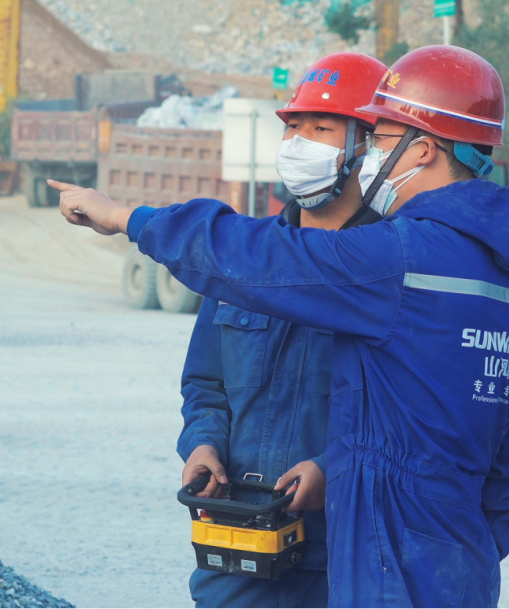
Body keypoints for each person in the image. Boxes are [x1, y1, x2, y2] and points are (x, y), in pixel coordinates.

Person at [54, 45, 509, 608]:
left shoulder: (393, 261)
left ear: (426, 149)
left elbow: (255, 256)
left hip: (374, 563)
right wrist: (468, 549)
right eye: (296, 127)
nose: (371, 157)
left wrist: (128, 218)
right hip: (438, 567)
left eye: (382, 139)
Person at [179, 52, 387, 608]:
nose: (300, 142)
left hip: (344, 558)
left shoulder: (389, 274)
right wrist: (202, 443)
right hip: (239, 545)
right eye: (295, 126)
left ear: (369, 148)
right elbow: (205, 384)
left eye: (322, 128)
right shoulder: (247, 261)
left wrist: (330, 469)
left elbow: (410, 421)